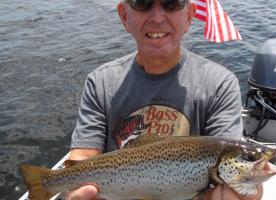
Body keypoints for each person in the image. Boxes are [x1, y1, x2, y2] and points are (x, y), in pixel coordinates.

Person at [66, 0, 263, 199]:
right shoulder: (100, 83)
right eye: (142, 3)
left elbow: (228, 160)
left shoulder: (220, 84)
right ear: (124, 16)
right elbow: (82, 158)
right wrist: (71, 187)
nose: (158, 18)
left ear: (189, 16)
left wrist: (244, 189)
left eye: (172, 3)